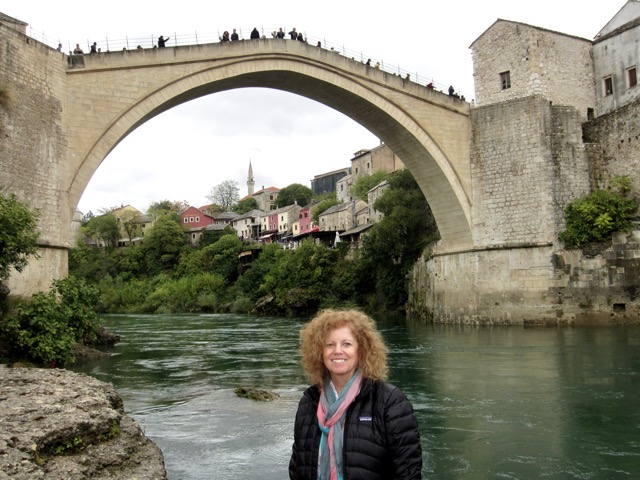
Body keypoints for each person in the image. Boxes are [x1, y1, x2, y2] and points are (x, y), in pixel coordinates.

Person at [289, 309, 422, 480]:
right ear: (319, 352)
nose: (338, 351)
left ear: (361, 351)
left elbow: (408, 473)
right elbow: (297, 469)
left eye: (347, 344)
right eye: (330, 344)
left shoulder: (390, 402)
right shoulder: (309, 402)